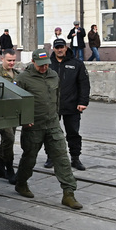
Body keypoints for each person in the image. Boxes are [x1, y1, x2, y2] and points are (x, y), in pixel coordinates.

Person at [13, 49, 82, 209]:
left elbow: (57, 98)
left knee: (62, 158)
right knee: (29, 157)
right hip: (33, 126)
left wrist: (56, 117)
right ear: (33, 62)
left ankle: (69, 194)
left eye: (46, 65)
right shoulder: (23, 78)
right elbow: (15, 101)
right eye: (41, 65)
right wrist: (23, 119)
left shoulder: (53, 75)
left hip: (52, 125)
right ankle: (21, 183)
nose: (44, 68)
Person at [42, 38, 90, 171]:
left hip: (72, 105)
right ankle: (50, 157)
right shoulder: (47, 63)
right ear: (53, 48)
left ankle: (75, 158)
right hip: (52, 106)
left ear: (66, 47)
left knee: (73, 133)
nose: (59, 50)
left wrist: (83, 102)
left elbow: (84, 84)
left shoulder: (77, 63)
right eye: (57, 47)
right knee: (50, 133)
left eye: (61, 47)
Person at [0, 49, 17, 181]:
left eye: (13, 60)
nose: (12, 63)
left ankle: (0, 167)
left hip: (14, 111)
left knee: (7, 140)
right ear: (2, 59)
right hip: (1, 112)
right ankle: (9, 168)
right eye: (9, 60)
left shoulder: (17, 74)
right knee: (9, 138)